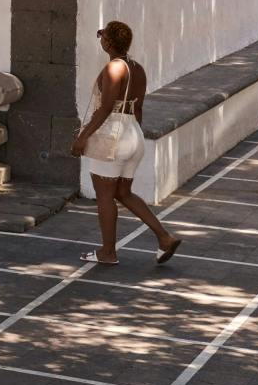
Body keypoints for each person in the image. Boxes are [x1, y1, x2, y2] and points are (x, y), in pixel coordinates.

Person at [71, 20, 180, 266]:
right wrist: (133, 138)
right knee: (123, 192)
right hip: (133, 134)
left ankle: (108, 252)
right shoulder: (137, 68)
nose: (100, 39)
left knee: (104, 196)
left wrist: (82, 137)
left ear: (108, 42)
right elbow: (138, 108)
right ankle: (164, 237)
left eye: (101, 35)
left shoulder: (113, 69)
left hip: (112, 137)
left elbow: (106, 108)